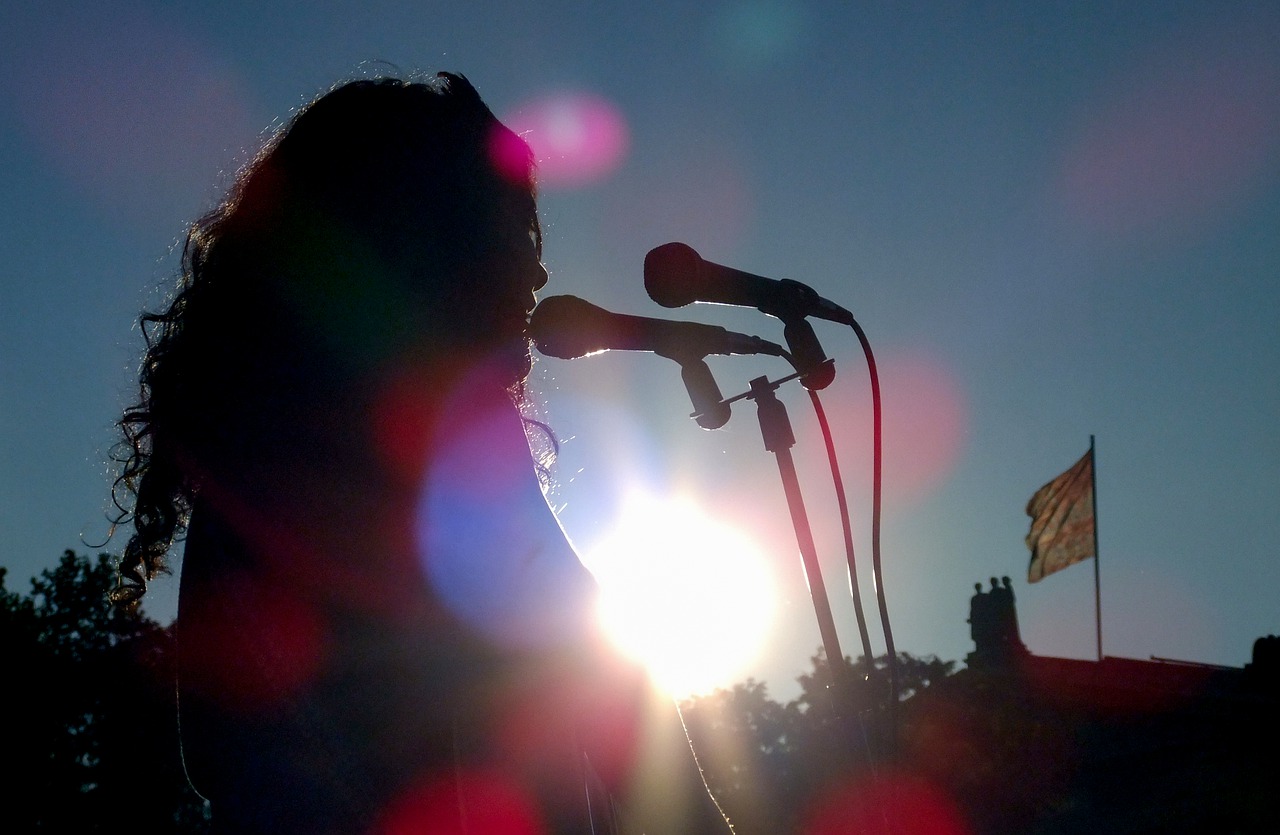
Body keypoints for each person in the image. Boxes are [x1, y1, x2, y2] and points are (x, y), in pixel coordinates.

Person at [110, 72, 731, 835]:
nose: (537, 271)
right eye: (509, 226)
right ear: (419, 236)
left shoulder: (454, 455)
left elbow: (615, 699)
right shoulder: (297, 474)